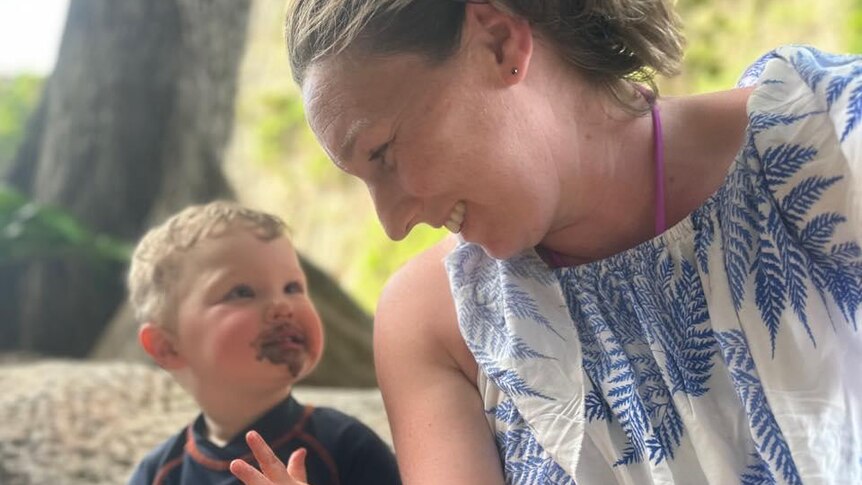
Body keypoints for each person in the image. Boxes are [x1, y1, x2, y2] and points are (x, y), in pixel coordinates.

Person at [232, 1, 862, 483]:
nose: (392, 224)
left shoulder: (823, 139)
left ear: (499, 41)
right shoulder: (436, 322)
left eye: (384, 153)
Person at [125, 201, 401, 485]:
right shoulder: (157, 475)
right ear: (166, 347)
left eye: (292, 287)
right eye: (241, 292)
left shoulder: (345, 446)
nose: (282, 306)